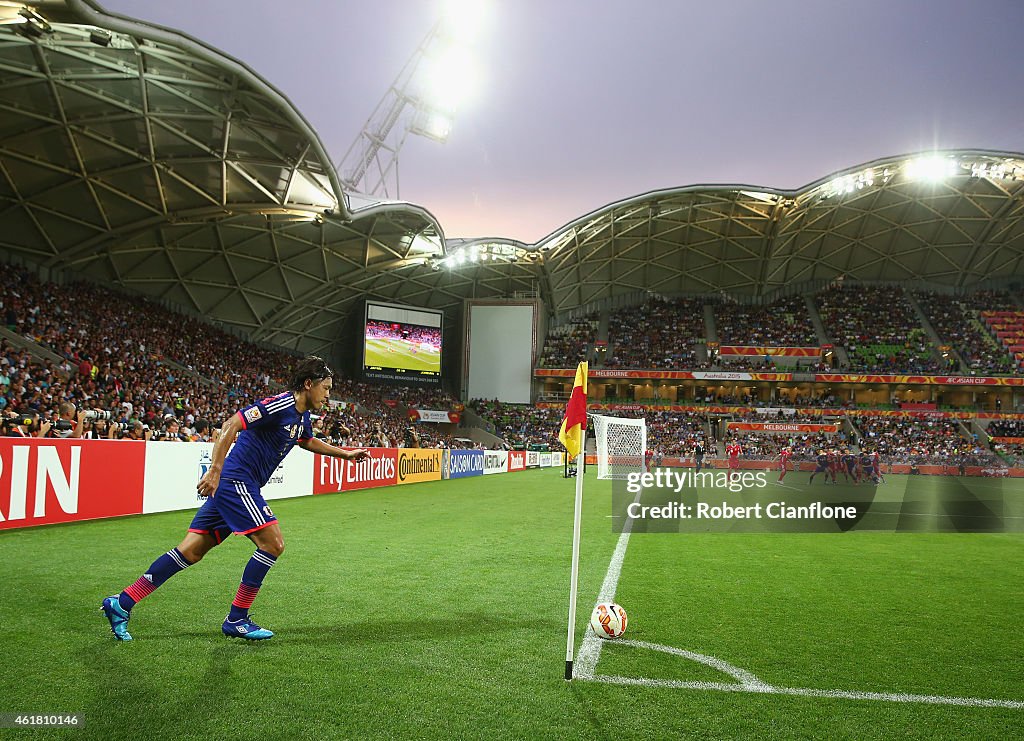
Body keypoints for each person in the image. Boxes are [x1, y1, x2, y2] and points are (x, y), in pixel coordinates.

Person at [101, 356, 369, 642]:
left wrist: (346, 454)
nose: (328, 395)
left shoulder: (302, 415)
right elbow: (231, 425)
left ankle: (122, 602)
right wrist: (215, 470)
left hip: (238, 485)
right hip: (236, 482)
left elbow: (305, 440)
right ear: (308, 384)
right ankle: (237, 618)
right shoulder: (279, 405)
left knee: (190, 551)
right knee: (273, 544)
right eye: (325, 388)